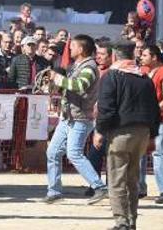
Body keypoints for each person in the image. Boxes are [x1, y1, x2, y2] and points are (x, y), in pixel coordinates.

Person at [94, 40, 160, 230]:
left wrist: (99, 130)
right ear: (133, 54)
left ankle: (121, 222)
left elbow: (106, 108)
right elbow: (154, 110)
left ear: (114, 54)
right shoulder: (144, 77)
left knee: (116, 179)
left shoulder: (112, 76)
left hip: (120, 132)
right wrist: (153, 136)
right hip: (143, 133)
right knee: (132, 179)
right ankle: (132, 221)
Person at [43, 34, 108, 204]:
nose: (69, 48)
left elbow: (79, 86)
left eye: (72, 46)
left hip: (80, 118)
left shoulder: (89, 68)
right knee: (52, 152)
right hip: (67, 117)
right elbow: (68, 87)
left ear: (81, 49)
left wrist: (58, 78)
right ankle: (54, 191)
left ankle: (99, 187)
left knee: (74, 153)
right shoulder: (76, 66)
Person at [138, 45, 163, 203]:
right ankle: (139, 188)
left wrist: (155, 108)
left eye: (145, 55)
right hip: (148, 117)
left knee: (158, 152)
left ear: (154, 57)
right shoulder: (144, 71)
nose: (142, 57)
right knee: (141, 152)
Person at [86, 40, 114, 194]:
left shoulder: (113, 72)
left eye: (102, 54)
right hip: (92, 117)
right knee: (94, 154)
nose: (99, 57)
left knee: (109, 154)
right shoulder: (94, 70)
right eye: (97, 54)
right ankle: (94, 185)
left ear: (110, 56)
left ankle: (110, 187)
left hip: (108, 118)